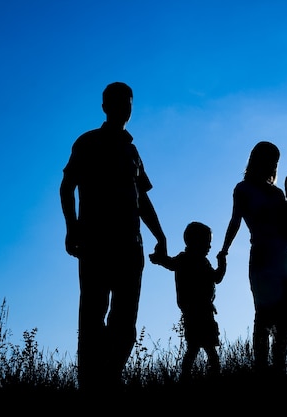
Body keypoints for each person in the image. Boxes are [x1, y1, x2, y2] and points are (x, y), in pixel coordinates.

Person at [59, 82, 168, 391]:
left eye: (129, 103)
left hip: (131, 246)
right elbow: (67, 187)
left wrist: (159, 234)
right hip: (95, 243)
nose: (125, 108)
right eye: (118, 102)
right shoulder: (88, 142)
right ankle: (90, 385)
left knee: (125, 324)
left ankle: (108, 379)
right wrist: (72, 228)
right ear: (105, 106)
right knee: (92, 318)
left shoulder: (133, 151)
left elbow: (142, 199)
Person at [219, 141, 287, 374]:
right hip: (263, 256)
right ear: (258, 160)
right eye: (270, 159)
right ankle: (262, 368)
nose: (273, 165)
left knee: (283, 318)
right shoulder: (243, 189)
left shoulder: (277, 192)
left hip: (286, 256)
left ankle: (279, 367)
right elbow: (235, 220)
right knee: (263, 314)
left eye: (276, 160)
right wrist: (225, 249)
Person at [149, 221, 226, 382]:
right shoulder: (185, 259)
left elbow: (216, 277)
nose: (209, 247)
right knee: (199, 348)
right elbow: (169, 263)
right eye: (207, 243)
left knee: (202, 347)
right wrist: (159, 258)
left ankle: (201, 375)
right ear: (195, 242)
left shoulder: (202, 262)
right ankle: (190, 376)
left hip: (203, 311)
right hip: (195, 311)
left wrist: (221, 263)